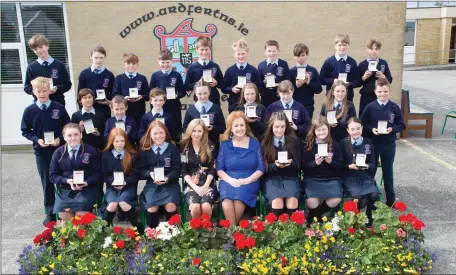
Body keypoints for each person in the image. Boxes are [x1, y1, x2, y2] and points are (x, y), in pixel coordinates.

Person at [21, 77, 70, 225]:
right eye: (38, 91)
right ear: (33, 92)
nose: (42, 93)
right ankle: (49, 211)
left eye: (44, 90)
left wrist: (60, 139)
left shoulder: (58, 107)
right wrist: (37, 140)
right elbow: (25, 130)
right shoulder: (29, 110)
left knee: (62, 179)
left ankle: (64, 207)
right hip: (41, 152)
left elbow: (67, 125)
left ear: (50, 90)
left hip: (59, 150)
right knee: (47, 181)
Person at [360, 78, 405, 206]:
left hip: (388, 144)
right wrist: (371, 129)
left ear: (389, 91)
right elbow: (362, 124)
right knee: (370, 171)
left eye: (385, 91)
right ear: (375, 92)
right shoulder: (370, 107)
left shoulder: (394, 107)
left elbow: (402, 125)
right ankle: (368, 198)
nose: (382, 94)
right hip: (373, 145)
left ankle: (390, 200)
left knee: (387, 172)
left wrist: (392, 129)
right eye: (379, 92)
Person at [216, 111, 265, 225]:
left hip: (249, 179)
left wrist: (247, 180)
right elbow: (219, 168)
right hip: (228, 179)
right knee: (226, 202)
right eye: (236, 126)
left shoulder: (255, 144)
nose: (239, 128)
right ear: (231, 128)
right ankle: (234, 233)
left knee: (238, 200)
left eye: (242, 125)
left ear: (246, 126)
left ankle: (231, 233)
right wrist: (230, 180)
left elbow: (261, 167)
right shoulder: (225, 145)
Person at [49, 123, 102, 221]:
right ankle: (71, 236)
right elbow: (53, 176)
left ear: (81, 135)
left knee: (81, 215)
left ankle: (82, 235)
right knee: (64, 215)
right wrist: (66, 181)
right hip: (66, 190)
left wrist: (86, 182)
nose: (73, 138)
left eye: (76, 134)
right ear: (64, 137)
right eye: (69, 135)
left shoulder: (91, 151)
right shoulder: (58, 153)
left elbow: (98, 174)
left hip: (87, 189)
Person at [139, 120, 181, 229]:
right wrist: (150, 174)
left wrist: (168, 178)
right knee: (152, 207)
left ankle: (175, 232)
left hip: (170, 184)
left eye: (161, 133)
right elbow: (141, 169)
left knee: (170, 206)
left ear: (165, 133)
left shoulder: (172, 147)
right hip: (152, 184)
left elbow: (177, 169)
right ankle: (152, 233)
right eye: (155, 133)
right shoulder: (145, 149)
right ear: (150, 134)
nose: (158, 136)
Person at [301, 116, 343, 224]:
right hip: (312, 178)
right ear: (314, 131)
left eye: (324, 129)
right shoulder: (307, 145)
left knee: (336, 199)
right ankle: (318, 219)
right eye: (318, 130)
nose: (321, 132)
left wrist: (330, 162)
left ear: (328, 129)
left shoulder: (334, 145)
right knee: (311, 201)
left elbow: (340, 166)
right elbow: (303, 166)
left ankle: (314, 216)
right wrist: (315, 163)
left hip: (331, 178)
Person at [261, 112, 301, 216]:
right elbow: (261, 168)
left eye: (282, 126)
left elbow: (299, 165)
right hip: (271, 178)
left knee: (292, 201)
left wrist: (291, 164)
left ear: (287, 127)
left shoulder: (294, 141)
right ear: (271, 127)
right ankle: (275, 231)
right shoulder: (264, 142)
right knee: (277, 201)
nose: (279, 130)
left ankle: (292, 231)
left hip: (290, 177)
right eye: (277, 127)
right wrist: (274, 166)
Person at [339, 118, 378, 225]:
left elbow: (373, 163)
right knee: (359, 197)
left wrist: (366, 166)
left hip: (364, 176)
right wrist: (348, 166)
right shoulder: (342, 143)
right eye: (352, 129)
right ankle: (356, 221)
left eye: (358, 128)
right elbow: (338, 164)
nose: (355, 131)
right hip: (349, 177)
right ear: (348, 130)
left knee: (374, 195)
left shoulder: (368, 142)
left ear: (362, 128)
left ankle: (369, 218)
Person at [101, 128, 140, 227]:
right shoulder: (106, 155)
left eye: (122, 141)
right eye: (116, 141)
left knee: (123, 203)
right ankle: (103, 230)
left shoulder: (132, 155)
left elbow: (137, 175)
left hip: (128, 186)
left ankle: (137, 228)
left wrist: (125, 182)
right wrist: (112, 181)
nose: (119, 144)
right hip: (112, 187)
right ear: (111, 141)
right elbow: (104, 175)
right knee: (112, 204)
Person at [180, 119, 218, 218]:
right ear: (189, 131)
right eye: (194, 131)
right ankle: (196, 232)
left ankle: (207, 231)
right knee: (195, 207)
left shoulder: (210, 146)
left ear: (204, 132)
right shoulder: (184, 147)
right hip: (191, 185)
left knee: (205, 207)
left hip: (208, 183)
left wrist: (206, 185)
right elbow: (184, 171)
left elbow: (212, 168)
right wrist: (195, 187)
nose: (196, 134)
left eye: (199, 131)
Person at [24, 34, 72, 105]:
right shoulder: (31, 67)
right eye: (35, 49)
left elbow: (67, 85)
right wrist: (38, 90)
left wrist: (56, 88)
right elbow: (27, 87)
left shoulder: (59, 65)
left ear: (47, 46)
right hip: (39, 104)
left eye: (41, 47)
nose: (39, 51)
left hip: (58, 102)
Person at [182, 81, 225, 154]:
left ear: (209, 92)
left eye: (205, 93)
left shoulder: (216, 108)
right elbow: (185, 128)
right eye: (199, 94)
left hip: (213, 146)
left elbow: (223, 128)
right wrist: (194, 130)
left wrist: (213, 128)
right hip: (195, 147)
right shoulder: (191, 110)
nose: (202, 96)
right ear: (195, 93)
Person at [222, 38, 262, 113]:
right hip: (234, 104)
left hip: (250, 105)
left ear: (247, 53)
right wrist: (232, 89)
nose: (241, 56)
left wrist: (251, 89)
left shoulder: (253, 71)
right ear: (234, 54)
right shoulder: (230, 71)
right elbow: (223, 88)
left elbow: (260, 88)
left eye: (243, 54)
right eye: (238, 54)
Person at [149, 49, 186, 128]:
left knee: (175, 129)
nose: (165, 65)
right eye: (163, 62)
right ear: (158, 62)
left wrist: (176, 95)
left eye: (167, 62)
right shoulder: (155, 76)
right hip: (160, 107)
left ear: (171, 61)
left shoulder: (177, 75)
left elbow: (182, 92)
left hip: (174, 107)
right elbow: (151, 93)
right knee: (160, 128)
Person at [184, 36, 224, 106]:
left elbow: (223, 83)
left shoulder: (215, 66)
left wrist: (216, 83)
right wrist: (198, 83)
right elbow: (187, 86)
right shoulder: (192, 68)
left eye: (206, 49)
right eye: (202, 49)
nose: (204, 52)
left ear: (210, 49)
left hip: (214, 101)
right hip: (199, 102)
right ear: (197, 49)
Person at [358, 38, 393, 116]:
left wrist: (384, 77)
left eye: (376, 49)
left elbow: (389, 80)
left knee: (380, 115)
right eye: (371, 48)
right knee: (365, 116)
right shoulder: (362, 65)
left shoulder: (383, 63)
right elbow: (357, 83)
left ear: (379, 50)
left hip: (381, 95)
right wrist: (364, 77)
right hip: (367, 95)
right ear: (367, 49)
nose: (374, 51)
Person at [77, 45, 115, 119]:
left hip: (104, 110)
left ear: (105, 57)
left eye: (101, 58)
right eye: (96, 58)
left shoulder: (109, 75)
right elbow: (79, 93)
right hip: (88, 109)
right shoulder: (84, 74)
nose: (98, 60)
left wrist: (109, 101)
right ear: (91, 57)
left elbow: (113, 93)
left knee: (104, 129)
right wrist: (81, 109)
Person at [320, 34, 359, 102]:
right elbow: (321, 79)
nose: (342, 47)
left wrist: (348, 84)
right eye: (340, 45)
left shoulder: (352, 62)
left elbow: (357, 81)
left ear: (348, 46)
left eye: (344, 45)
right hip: (331, 97)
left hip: (348, 97)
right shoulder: (329, 62)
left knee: (347, 112)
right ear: (335, 46)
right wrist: (333, 81)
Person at [113, 53, 149, 126]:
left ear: (137, 65)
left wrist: (142, 97)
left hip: (139, 111)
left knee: (138, 130)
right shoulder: (119, 78)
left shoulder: (142, 78)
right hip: (124, 112)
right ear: (124, 65)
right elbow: (115, 94)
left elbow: (148, 95)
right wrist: (124, 98)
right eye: (128, 63)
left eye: (133, 63)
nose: (131, 66)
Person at [289, 43, 322, 119]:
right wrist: (296, 86)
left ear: (307, 55)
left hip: (308, 106)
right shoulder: (290, 72)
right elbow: (286, 90)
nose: (300, 58)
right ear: (294, 57)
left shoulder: (312, 70)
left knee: (307, 128)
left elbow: (319, 89)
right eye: (298, 56)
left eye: (303, 55)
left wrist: (308, 83)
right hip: (293, 105)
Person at [257, 40, 290, 108]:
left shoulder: (283, 64)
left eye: (274, 51)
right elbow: (259, 85)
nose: (271, 53)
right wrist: (264, 82)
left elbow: (288, 81)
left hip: (280, 98)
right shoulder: (261, 65)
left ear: (278, 51)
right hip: (265, 100)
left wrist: (278, 84)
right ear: (265, 52)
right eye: (269, 51)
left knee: (280, 118)